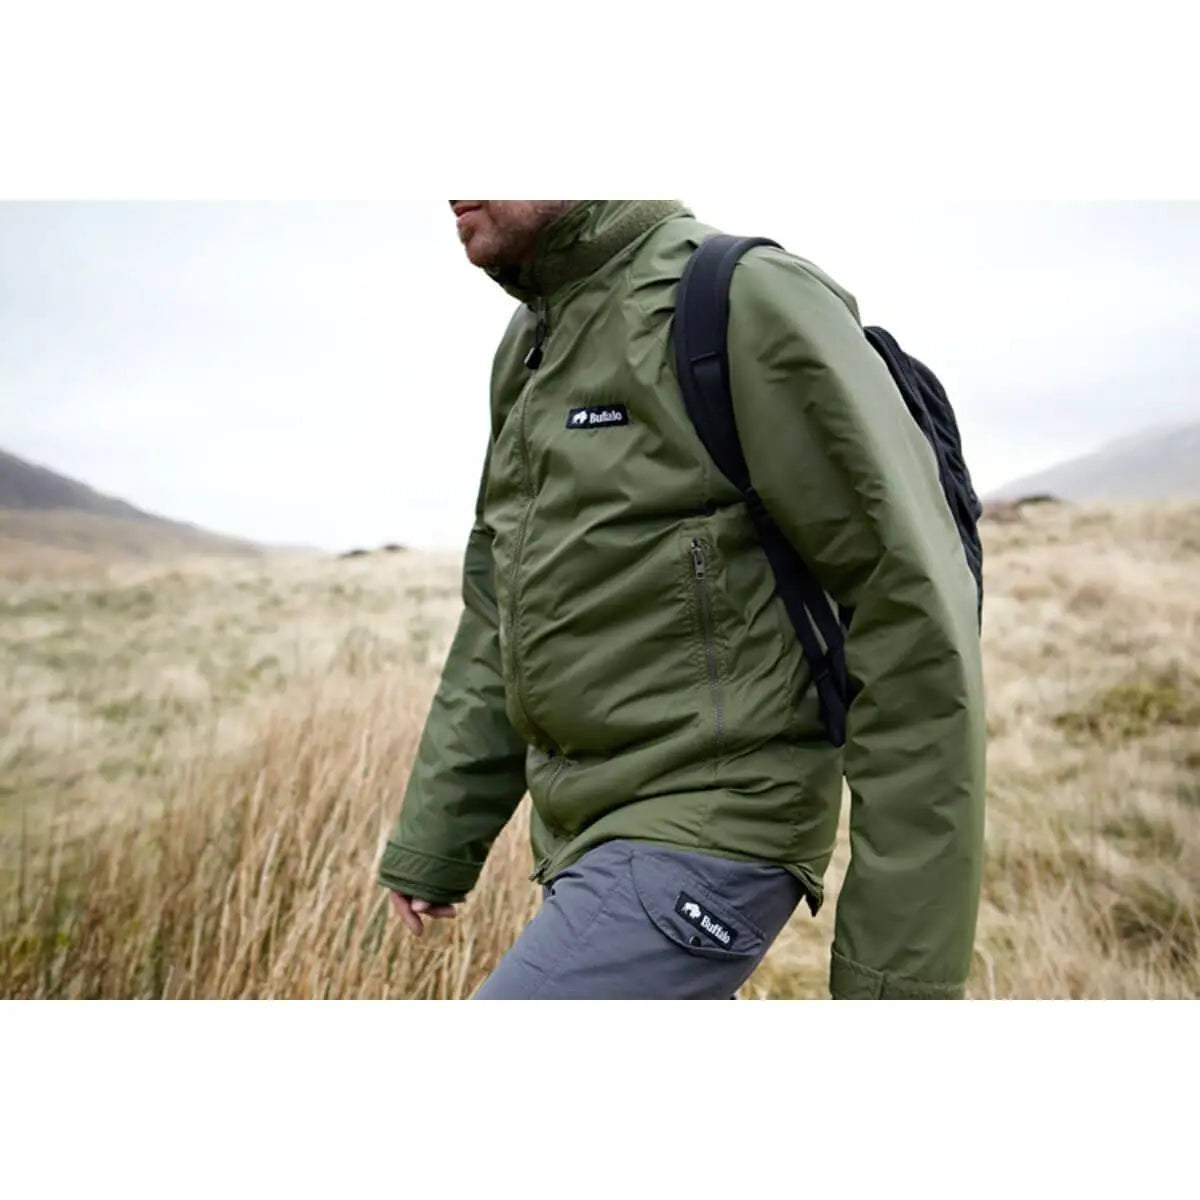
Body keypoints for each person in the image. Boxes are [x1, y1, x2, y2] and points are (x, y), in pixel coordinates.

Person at [378, 200, 986, 1000]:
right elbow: (502, 607)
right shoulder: (531, 345)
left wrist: (895, 986)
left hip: (715, 823)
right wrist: (438, 836)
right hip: (586, 836)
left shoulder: (744, 299)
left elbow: (912, 618)